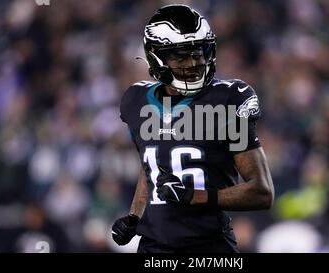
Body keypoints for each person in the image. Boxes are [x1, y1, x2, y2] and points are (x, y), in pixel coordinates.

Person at [111, 4, 274, 253]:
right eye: (181, 55)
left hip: (209, 247)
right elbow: (152, 168)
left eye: (198, 52)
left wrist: (198, 196)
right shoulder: (137, 100)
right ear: (157, 57)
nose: (194, 62)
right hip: (154, 248)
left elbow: (261, 192)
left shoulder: (227, 100)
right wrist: (134, 216)